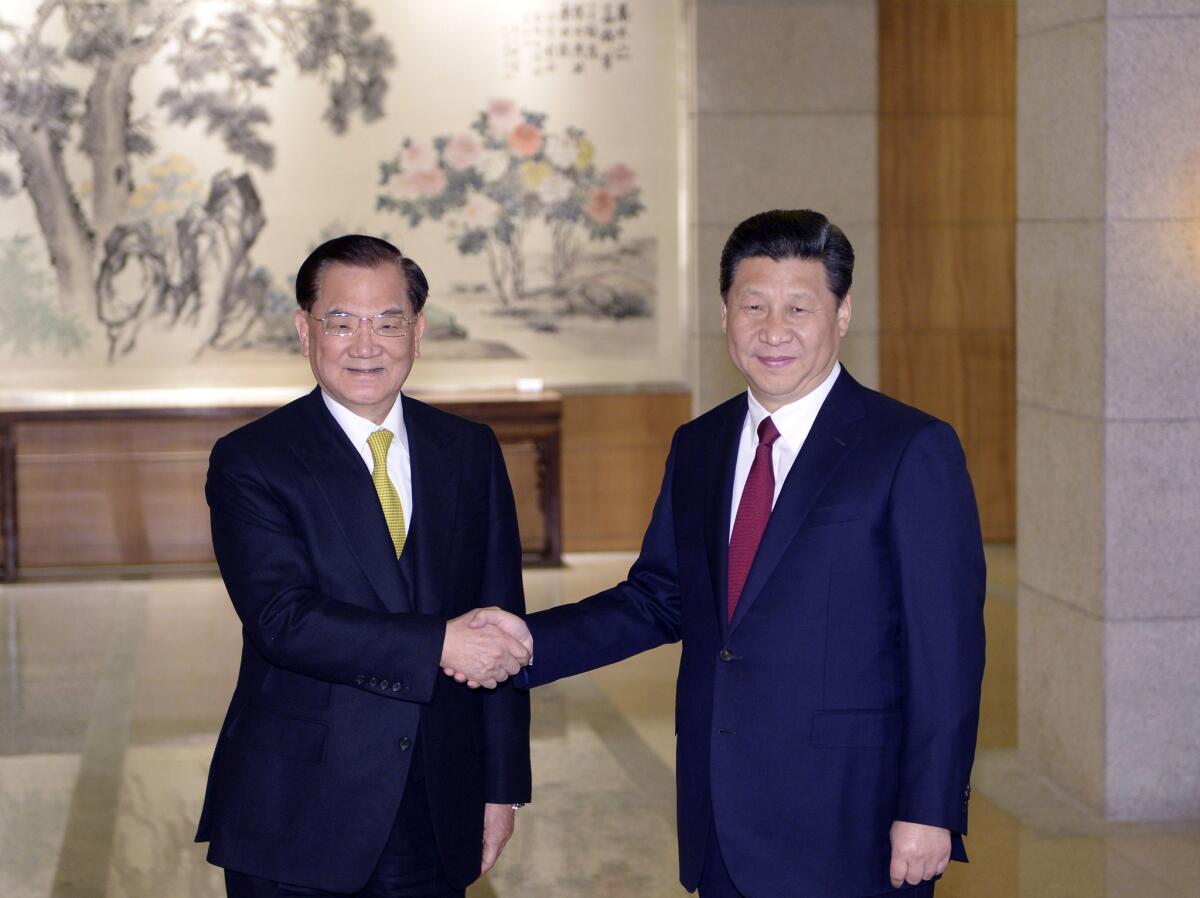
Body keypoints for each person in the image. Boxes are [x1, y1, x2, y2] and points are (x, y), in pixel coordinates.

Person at [462, 209, 987, 897]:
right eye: (754, 306)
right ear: (724, 314)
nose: (774, 331)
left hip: (849, 817)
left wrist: (929, 809)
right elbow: (659, 597)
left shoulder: (908, 448)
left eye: (800, 307)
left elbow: (946, 651)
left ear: (843, 312)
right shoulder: (701, 445)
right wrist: (530, 642)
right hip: (721, 813)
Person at [197, 234, 533, 898]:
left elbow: (501, 620)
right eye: (341, 322)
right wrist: (439, 641)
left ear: (418, 330)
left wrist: (501, 787)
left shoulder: (468, 451)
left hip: (438, 803)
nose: (366, 343)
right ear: (305, 331)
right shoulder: (253, 460)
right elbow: (281, 620)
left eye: (388, 321)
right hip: (300, 807)